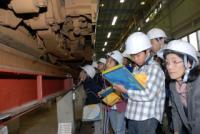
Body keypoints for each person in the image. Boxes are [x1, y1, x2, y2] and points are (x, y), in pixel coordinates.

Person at [113, 32, 166, 134]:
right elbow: (132, 91)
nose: (135, 59)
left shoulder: (154, 69)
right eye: (133, 56)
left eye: (138, 55)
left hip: (147, 117)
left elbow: (148, 94)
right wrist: (122, 89)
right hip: (133, 115)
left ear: (147, 51)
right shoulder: (136, 69)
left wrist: (126, 91)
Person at [161, 40, 200, 134]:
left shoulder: (198, 84)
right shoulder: (173, 85)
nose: (169, 67)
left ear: (189, 63)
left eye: (175, 61)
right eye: (167, 62)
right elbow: (175, 111)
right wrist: (176, 131)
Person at [103, 50, 127, 134]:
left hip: (120, 105)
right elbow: (109, 89)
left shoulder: (123, 75)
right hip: (110, 106)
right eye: (107, 61)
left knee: (118, 130)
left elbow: (124, 91)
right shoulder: (105, 75)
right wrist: (103, 91)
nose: (107, 63)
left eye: (110, 61)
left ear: (117, 64)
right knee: (115, 129)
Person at [79, 65, 102, 134]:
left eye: (82, 72)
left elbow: (100, 90)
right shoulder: (86, 82)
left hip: (96, 106)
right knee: (96, 125)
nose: (80, 73)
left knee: (97, 125)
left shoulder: (90, 83)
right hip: (93, 105)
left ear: (87, 74)